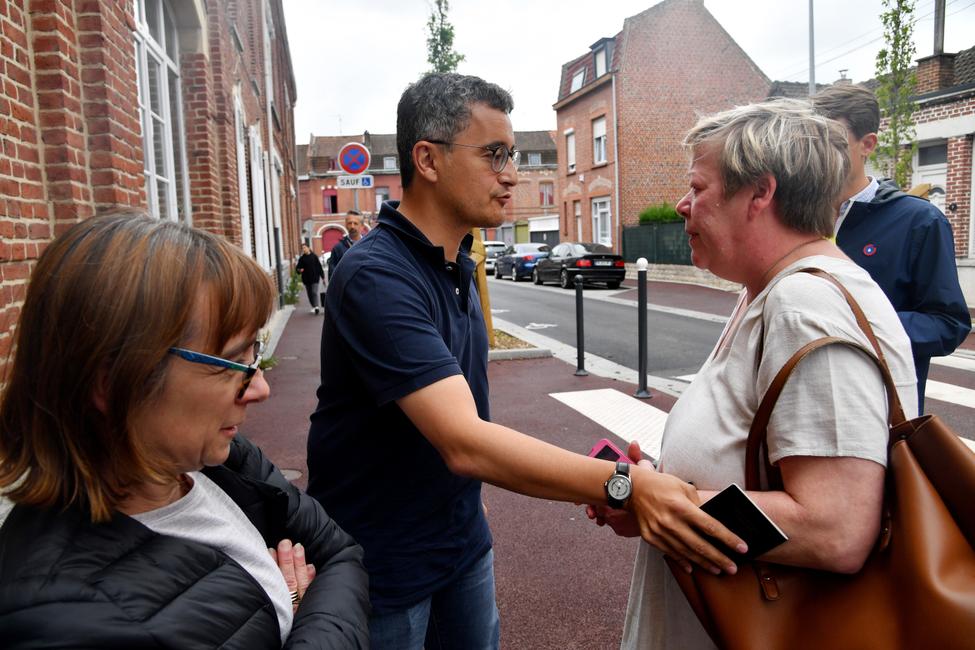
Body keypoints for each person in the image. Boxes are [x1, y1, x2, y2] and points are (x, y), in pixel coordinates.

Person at [306, 72, 746, 650]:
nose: (511, 174)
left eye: (511, 155)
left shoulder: (453, 261)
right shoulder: (377, 275)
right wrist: (622, 486)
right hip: (383, 562)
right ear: (428, 160)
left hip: (460, 543)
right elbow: (466, 441)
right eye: (493, 155)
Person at [587, 100, 919, 649]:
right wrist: (653, 500)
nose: (682, 204)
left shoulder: (806, 302)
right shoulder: (771, 290)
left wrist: (667, 503)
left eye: (698, 187)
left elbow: (836, 528)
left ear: (760, 194)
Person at [0, 212, 370, 648]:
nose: (261, 388)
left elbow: (342, 553)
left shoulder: (220, 461)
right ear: (112, 379)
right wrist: (294, 606)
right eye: (232, 363)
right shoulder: (63, 618)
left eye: (257, 356)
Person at [811, 84, 971, 409]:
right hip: (807, 402)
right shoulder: (797, 217)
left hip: (879, 415)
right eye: (811, 142)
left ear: (867, 144)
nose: (817, 153)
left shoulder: (920, 222)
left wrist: (857, 324)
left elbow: (948, 324)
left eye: (832, 142)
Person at [327, 210, 364, 280]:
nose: (352, 226)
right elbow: (332, 274)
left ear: (362, 226)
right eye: (350, 223)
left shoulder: (369, 245)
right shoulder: (338, 248)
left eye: (355, 223)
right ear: (346, 225)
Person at [296, 243, 326, 314]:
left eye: (305, 247)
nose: (304, 249)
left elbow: (319, 267)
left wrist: (323, 277)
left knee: (314, 292)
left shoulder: (314, 256)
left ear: (309, 248)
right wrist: (300, 270)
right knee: (309, 294)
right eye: (302, 248)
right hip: (306, 279)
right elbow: (297, 268)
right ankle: (313, 306)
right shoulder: (302, 259)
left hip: (315, 278)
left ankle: (316, 307)